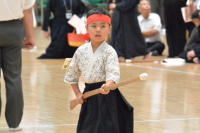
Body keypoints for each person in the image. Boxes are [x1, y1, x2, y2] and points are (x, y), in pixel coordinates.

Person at [64, 7, 133, 133]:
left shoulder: (110, 52)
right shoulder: (80, 51)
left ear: (109, 29)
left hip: (107, 95)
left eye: (103, 26)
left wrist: (108, 85)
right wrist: (78, 94)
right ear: (86, 28)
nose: (98, 30)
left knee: (106, 128)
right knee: (87, 128)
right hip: (89, 94)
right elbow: (72, 75)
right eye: (93, 26)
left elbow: (113, 73)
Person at [0, 0, 35, 132]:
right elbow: (27, 10)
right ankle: (14, 124)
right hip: (13, 30)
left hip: (13, 29)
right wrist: (30, 36)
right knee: (14, 78)